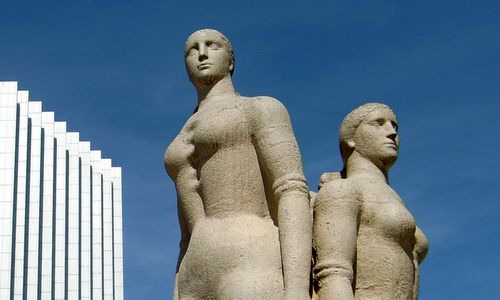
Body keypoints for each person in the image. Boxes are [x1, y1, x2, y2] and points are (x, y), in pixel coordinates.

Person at [164, 29, 311, 300]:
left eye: (212, 46)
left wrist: (297, 289)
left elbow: (291, 191)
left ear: (230, 61)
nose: (202, 53)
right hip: (194, 271)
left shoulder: (259, 108)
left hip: (250, 256)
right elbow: (185, 235)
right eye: (192, 50)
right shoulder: (181, 135)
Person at [312, 103, 428, 300]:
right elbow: (333, 273)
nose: (392, 132)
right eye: (378, 124)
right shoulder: (344, 190)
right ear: (351, 140)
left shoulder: (392, 198)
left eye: (395, 126)